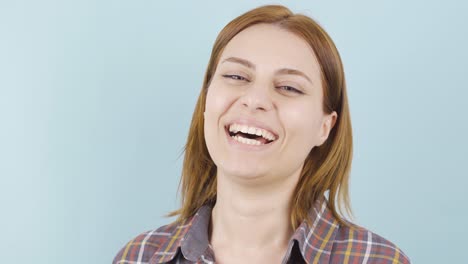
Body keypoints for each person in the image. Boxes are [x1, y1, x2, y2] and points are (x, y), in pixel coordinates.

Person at [113, 4, 410, 264]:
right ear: (206, 100)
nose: (254, 99)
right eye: (236, 76)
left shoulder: (377, 260)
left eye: (289, 87)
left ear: (325, 127)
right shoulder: (137, 257)